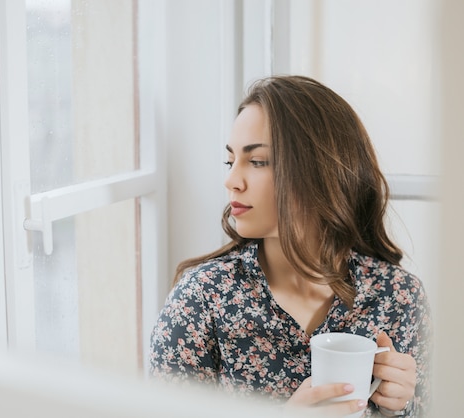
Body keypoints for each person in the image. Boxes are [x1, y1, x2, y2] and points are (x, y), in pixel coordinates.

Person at [149, 75, 431, 417]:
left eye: (257, 162)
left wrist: (401, 407)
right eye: (230, 161)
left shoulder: (398, 297)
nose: (231, 181)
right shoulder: (202, 299)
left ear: (320, 172)